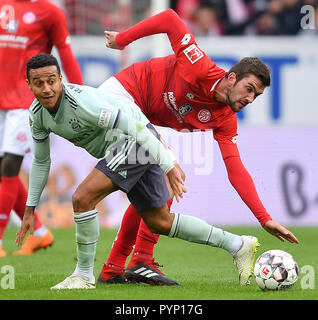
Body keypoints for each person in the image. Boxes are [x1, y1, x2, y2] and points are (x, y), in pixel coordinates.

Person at [17, 53, 263, 290]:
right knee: (160, 222)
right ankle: (237, 244)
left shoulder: (83, 104)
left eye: (51, 81)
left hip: (134, 141)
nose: (47, 89)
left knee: (82, 198)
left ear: (61, 79)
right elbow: (41, 162)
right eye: (39, 83)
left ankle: (83, 275)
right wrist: (30, 208)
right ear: (29, 85)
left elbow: (134, 126)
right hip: (134, 145)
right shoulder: (37, 116)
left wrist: (168, 165)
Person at [96, 9, 299, 286]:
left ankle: (117, 268)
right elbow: (169, 18)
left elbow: (236, 169)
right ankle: (138, 260)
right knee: (167, 173)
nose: (251, 98)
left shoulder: (226, 119)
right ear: (231, 78)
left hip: (136, 117)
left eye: (257, 95)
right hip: (120, 95)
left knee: (160, 184)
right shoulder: (199, 66)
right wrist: (123, 39)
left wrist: (264, 219)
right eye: (249, 88)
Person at [0, 0, 83, 257]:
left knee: (9, 165)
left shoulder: (50, 12)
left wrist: (80, 93)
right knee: (5, 171)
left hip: (26, 100)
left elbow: (65, 53)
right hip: (1, 99)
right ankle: (38, 231)